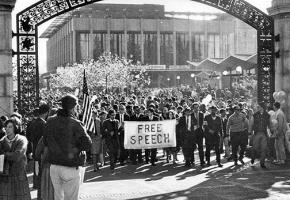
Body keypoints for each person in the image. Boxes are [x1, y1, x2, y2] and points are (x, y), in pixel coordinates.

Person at [44, 94, 92, 200]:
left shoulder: (50, 121)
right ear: (73, 108)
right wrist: (75, 149)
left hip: (55, 166)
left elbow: (45, 142)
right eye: (77, 106)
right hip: (70, 166)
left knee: (58, 197)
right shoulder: (75, 123)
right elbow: (87, 144)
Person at [0, 118, 31, 200]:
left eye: (10, 127)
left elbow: (17, 156)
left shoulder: (21, 139)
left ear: (16, 127)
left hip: (19, 174)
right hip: (6, 176)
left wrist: (4, 154)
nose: (7, 129)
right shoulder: (1, 141)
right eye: (6, 127)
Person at [26, 104, 50, 192]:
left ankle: (36, 184)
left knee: (36, 168)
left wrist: (30, 150)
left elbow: (29, 137)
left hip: (34, 148)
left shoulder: (32, 123)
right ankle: (40, 186)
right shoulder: (44, 124)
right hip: (42, 150)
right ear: (47, 112)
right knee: (41, 169)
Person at [251, 103, 270, 168]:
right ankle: (253, 157)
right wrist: (250, 133)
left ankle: (262, 163)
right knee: (255, 148)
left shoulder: (267, 115)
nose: (257, 108)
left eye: (258, 107)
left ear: (262, 107)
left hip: (264, 133)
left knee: (264, 149)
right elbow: (251, 124)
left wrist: (271, 132)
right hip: (256, 133)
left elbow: (269, 125)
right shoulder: (254, 115)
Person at [192, 102, 205, 166]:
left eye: (197, 107)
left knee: (201, 148)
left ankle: (202, 161)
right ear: (193, 108)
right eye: (195, 107)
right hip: (192, 133)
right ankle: (192, 161)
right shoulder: (190, 114)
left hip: (199, 132)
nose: (196, 109)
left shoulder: (201, 114)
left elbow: (202, 123)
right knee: (192, 147)